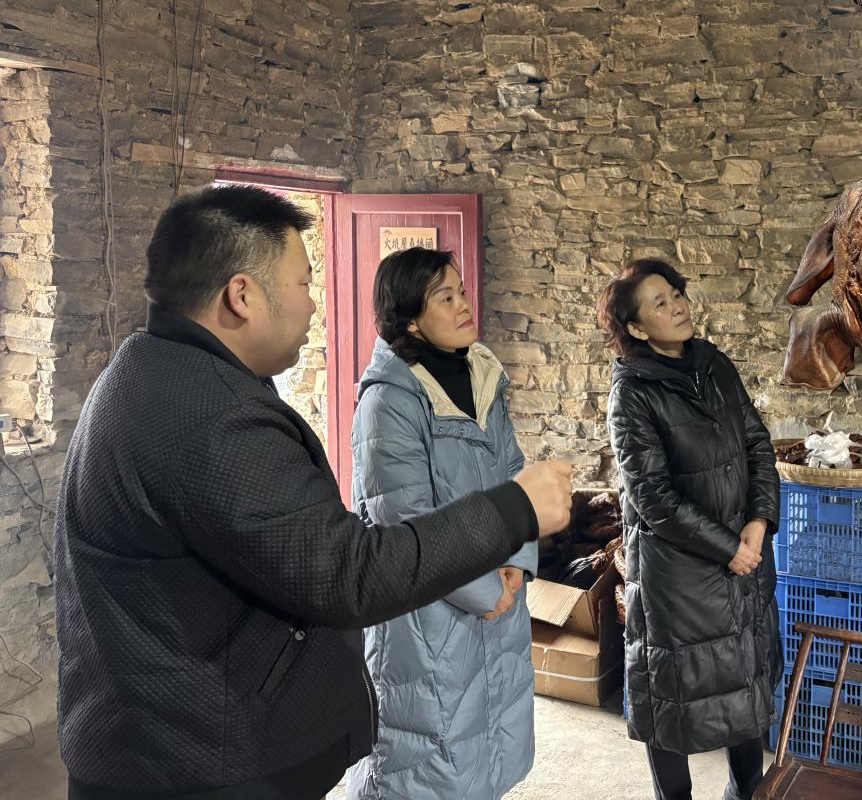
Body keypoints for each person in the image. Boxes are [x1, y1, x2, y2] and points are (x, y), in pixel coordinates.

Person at [54, 185, 573, 800]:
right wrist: (514, 510)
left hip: (198, 748)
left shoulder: (170, 375)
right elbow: (347, 572)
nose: (312, 303)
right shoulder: (209, 415)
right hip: (201, 765)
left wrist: (513, 552)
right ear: (242, 295)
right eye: (303, 283)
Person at [345, 248, 536, 800]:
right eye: (445, 297)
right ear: (409, 319)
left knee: (487, 754)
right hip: (430, 613)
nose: (463, 305)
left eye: (462, 291)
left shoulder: (482, 376)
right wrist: (487, 591)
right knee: (425, 767)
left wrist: (516, 563)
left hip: (498, 594)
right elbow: (407, 522)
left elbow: (514, 474)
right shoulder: (389, 402)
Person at [598, 258, 782, 800]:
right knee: (674, 701)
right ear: (636, 328)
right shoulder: (632, 393)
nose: (678, 306)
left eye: (676, 293)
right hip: (679, 579)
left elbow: (757, 442)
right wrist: (729, 548)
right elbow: (653, 497)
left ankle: (746, 792)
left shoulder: (713, 364)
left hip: (742, 558)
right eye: (660, 303)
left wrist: (758, 521)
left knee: (744, 689)